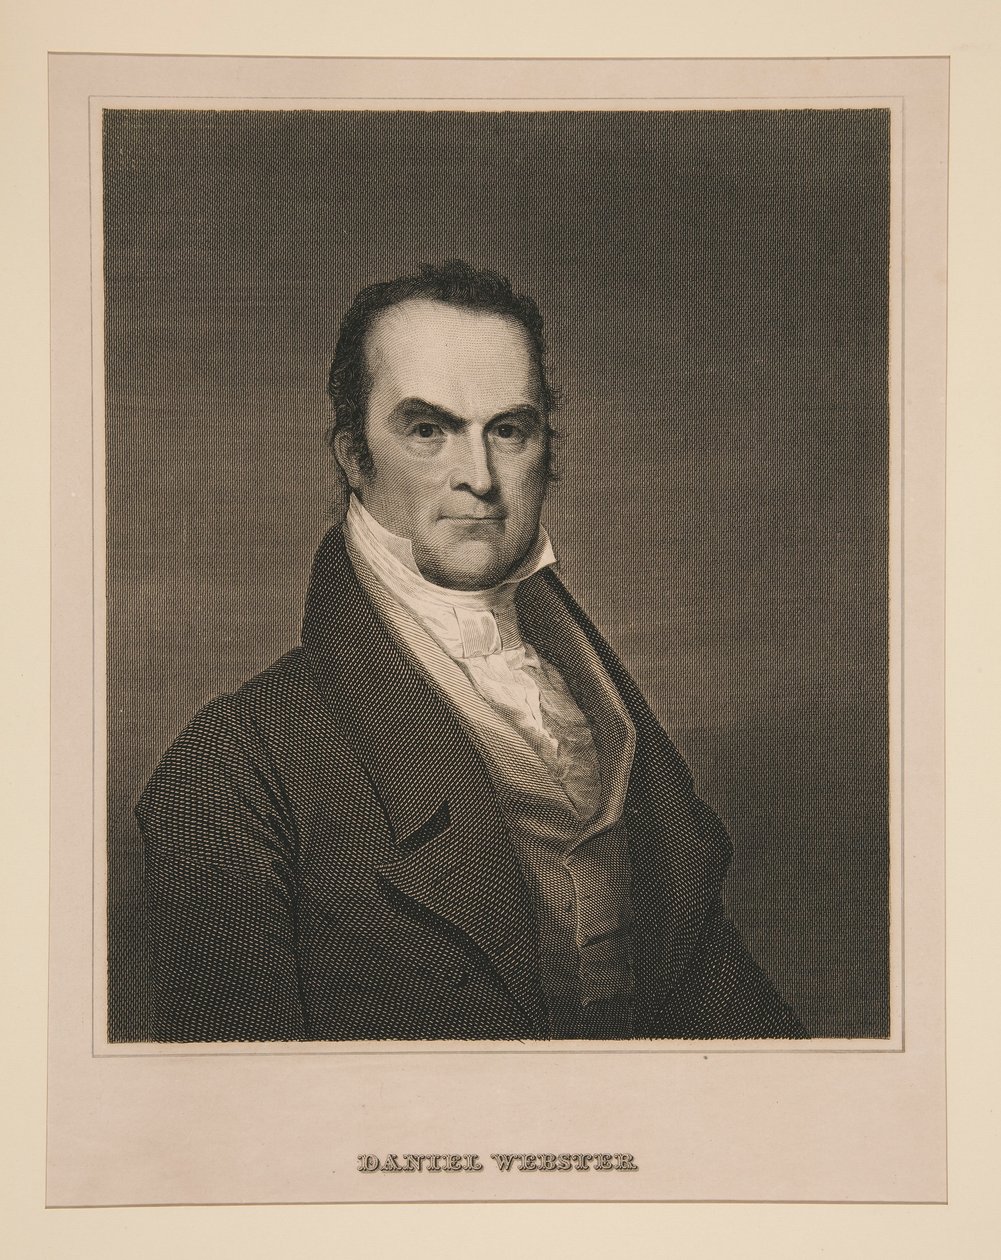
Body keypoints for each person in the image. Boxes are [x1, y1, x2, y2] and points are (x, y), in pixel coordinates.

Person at [136, 260, 805, 1043]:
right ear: (354, 456)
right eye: (429, 431)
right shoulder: (230, 766)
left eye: (508, 431)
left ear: (543, 449)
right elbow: (239, 1100)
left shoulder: (605, 714)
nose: (479, 478)